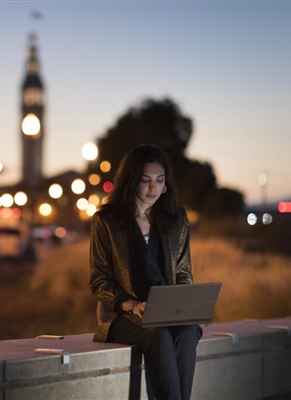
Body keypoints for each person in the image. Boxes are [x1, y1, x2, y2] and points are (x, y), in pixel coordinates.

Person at [89, 144, 202, 400]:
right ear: (131, 182)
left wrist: (186, 305)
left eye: (160, 181)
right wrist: (131, 305)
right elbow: (99, 280)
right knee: (158, 334)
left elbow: (184, 272)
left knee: (186, 333)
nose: (154, 189)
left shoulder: (176, 219)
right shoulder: (106, 221)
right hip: (123, 314)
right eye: (146, 181)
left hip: (167, 312)